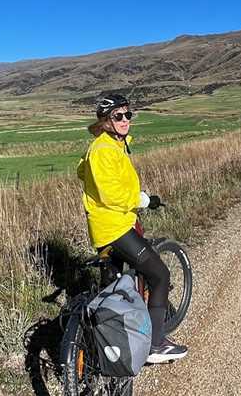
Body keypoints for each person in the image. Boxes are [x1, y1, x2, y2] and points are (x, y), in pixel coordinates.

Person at [76, 93, 188, 364]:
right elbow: (111, 194)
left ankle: (118, 343)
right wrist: (143, 200)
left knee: (118, 287)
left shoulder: (114, 146)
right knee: (160, 274)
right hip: (114, 227)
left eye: (127, 114)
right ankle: (154, 345)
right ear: (105, 122)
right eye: (118, 116)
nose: (125, 120)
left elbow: (83, 172)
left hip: (112, 225)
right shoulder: (103, 150)